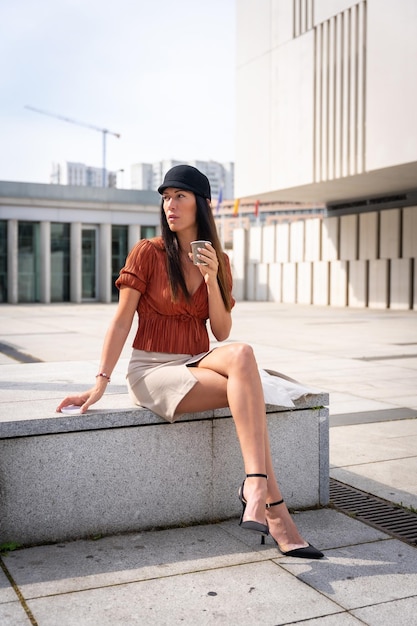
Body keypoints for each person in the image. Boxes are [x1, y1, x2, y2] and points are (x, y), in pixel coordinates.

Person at [57, 164, 323, 559]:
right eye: (165, 197)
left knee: (245, 355)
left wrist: (213, 278)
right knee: (247, 394)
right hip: (152, 368)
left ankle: (255, 486)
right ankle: (274, 507)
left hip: (198, 358)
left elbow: (222, 332)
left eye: (179, 196)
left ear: (201, 203)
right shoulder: (148, 253)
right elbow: (121, 320)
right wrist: (100, 381)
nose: (170, 205)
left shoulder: (219, 261)